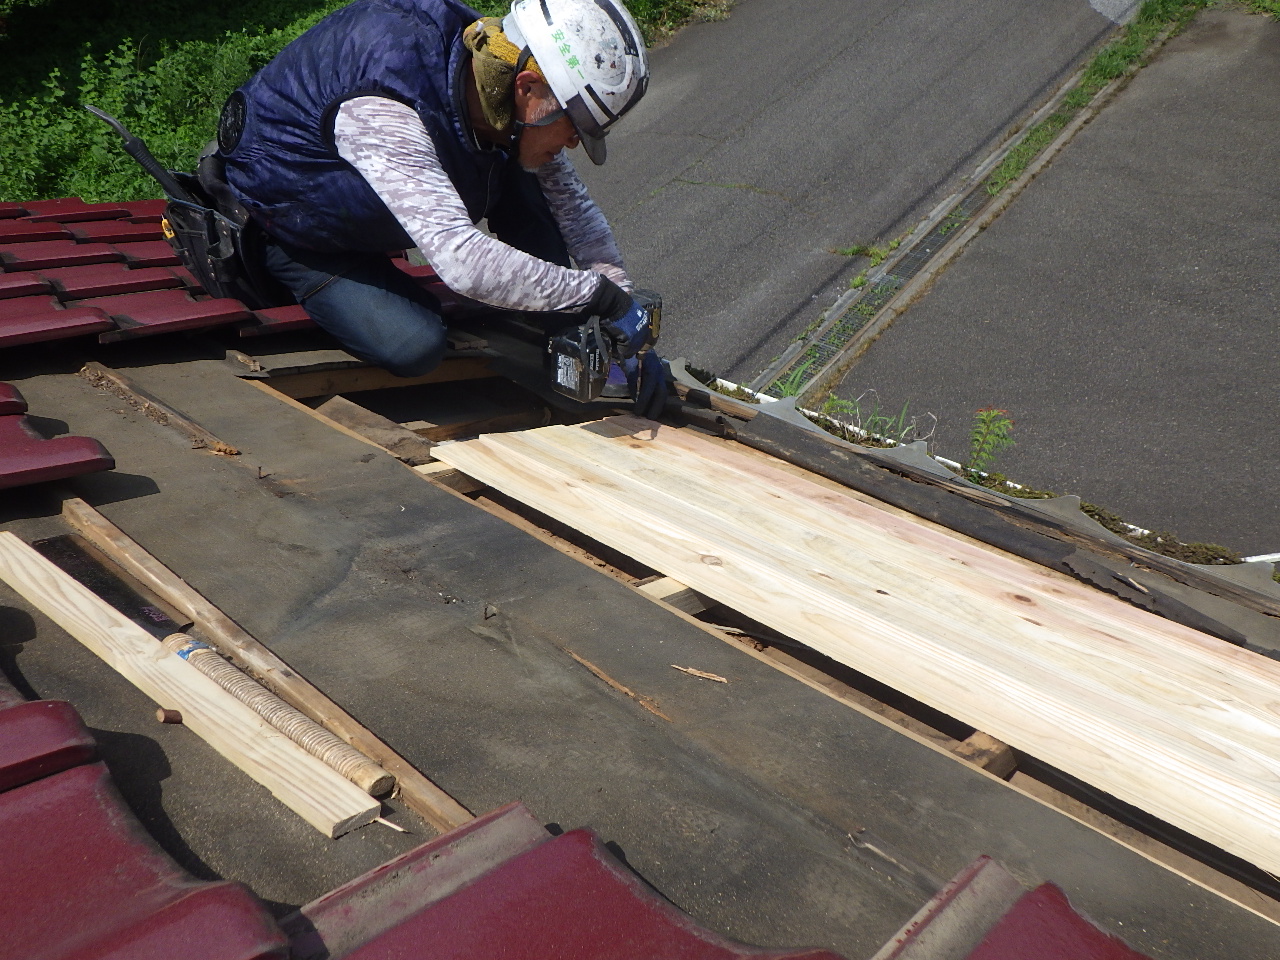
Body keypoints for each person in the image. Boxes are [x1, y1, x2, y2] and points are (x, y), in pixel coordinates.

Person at [215, 0, 667, 415]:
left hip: (376, 184)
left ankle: (565, 332)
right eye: (574, 128)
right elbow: (462, 262)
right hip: (297, 222)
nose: (572, 144)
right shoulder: (385, 103)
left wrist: (628, 331)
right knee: (412, 343)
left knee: (532, 168)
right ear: (529, 88)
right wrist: (597, 296)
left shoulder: (499, 75)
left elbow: (574, 213)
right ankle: (290, 265)